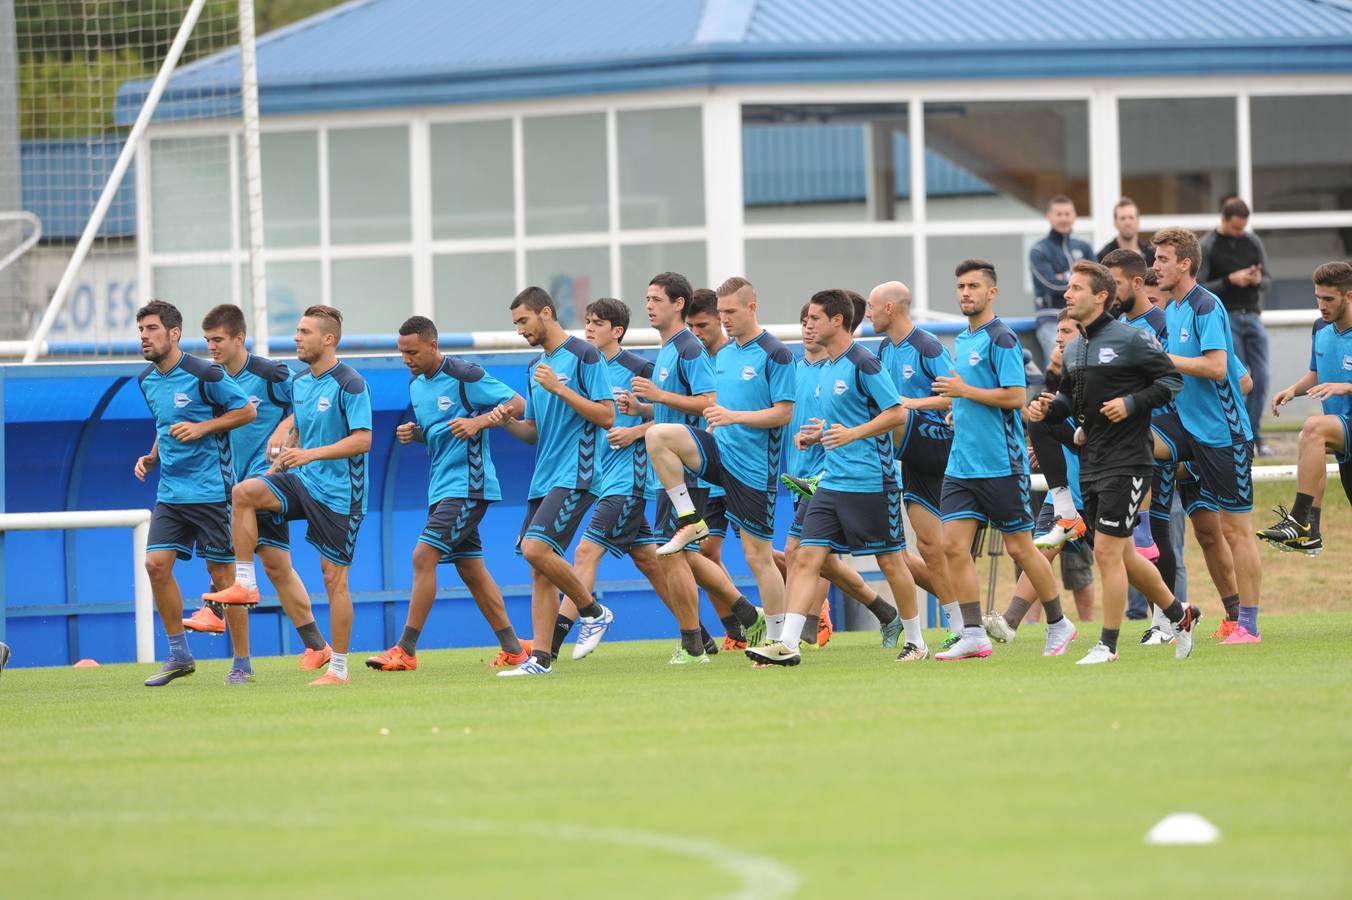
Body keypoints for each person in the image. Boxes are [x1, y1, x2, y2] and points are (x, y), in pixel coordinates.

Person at [1028, 260, 1196, 665]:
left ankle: (1108, 644)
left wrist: (1132, 402)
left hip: (1129, 461)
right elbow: (1070, 397)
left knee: (1106, 554)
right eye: (1067, 288)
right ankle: (1181, 615)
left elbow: (1172, 381)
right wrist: (1049, 411)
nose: (1067, 295)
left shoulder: (1132, 339)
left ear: (1101, 296)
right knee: (1122, 556)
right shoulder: (1076, 347)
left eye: (1076, 289)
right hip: (1092, 462)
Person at [746, 289, 923, 666]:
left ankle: (916, 641)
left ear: (837, 321)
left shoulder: (864, 362)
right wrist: (820, 433)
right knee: (805, 556)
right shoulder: (827, 367)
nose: (807, 325)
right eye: (806, 318)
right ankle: (789, 644)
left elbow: (896, 414)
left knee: (892, 562)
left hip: (872, 481)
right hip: (830, 483)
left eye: (814, 318)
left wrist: (852, 434)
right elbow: (847, 417)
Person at [205, 305, 372, 685]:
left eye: (304, 332)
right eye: (296, 331)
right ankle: (245, 581)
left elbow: (363, 440)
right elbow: (300, 434)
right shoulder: (300, 383)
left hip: (341, 494)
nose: (296, 338)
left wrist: (308, 454)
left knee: (334, 580)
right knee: (244, 493)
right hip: (303, 480)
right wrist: (279, 462)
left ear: (328, 339)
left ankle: (339, 669)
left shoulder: (351, 383)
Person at [365, 316, 531, 672]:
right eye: (401, 353)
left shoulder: (464, 375)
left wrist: (480, 421)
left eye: (413, 352)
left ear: (433, 345)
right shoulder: (415, 385)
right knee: (472, 571)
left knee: (422, 557)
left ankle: (406, 650)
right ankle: (515, 650)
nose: (407, 359)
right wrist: (417, 433)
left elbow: (518, 404)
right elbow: (440, 431)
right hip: (441, 489)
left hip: (469, 486)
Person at [934, 260, 1075, 660]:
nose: (965, 292)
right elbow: (973, 395)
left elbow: (1015, 397)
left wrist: (964, 392)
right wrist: (958, 409)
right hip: (962, 466)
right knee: (953, 547)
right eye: (960, 285)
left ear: (992, 292)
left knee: (1021, 549)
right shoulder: (963, 340)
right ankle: (974, 634)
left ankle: (1059, 623)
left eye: (973, 286)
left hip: (1000, 464)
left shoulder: (1003, 339)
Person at [185, 304, 333, 676]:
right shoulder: (213, 378)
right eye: (206, 341)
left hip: (264, 482)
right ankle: (317, 646)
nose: (211, 347)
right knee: (278, 566)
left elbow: (309, 397)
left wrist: (286, 426)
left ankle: (217, 612)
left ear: (239, 338)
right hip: (234, 487)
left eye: (218, 339)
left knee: (230, 560)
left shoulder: (270, 373)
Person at [648, 277, 795, 647]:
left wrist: (734, 417)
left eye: (730, 312)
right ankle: (689, 518)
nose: (724, 319)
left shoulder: (775, 353)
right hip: (720, 456)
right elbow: (712, 409)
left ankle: (777, 639)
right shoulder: (723, 354)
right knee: (659, 435)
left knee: (757, 556)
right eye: (721, 312)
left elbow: (783, 414)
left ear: (751, 307)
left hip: (754, 467)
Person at [629, 272, 763, 662]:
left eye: (656, 299)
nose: (649, 305)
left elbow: (710, 401)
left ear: (678, 304)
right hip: (669, 469)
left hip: (688, 469)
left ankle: (693, 644)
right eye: (647, 298)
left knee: (669, 553)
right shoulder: (669, 349)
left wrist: (658, 395)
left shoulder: (688, 348)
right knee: (681, 553)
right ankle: (745, 613)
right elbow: (672, 407)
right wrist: (643, 409)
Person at [492, 287, 618, 677]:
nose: (519, 330)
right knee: (539, 568)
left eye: (523, 321)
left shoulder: (585, 355)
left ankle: (593, 611)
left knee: (535, 550)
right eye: (515, 324)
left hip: (577, 474)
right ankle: (540, 659)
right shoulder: (534, 368)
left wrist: (560, 388)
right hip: (543, 478)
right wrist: (507, 422)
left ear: (546, 313)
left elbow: (607, 416)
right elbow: (534, 432)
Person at [132, 300, 256, 686]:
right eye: (141, 330)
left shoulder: (205, 373)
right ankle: (179, 654)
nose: (144, 337)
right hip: (171, 492)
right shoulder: (146, 380)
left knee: (222, 577)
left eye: (152, 329)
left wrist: (202, 429)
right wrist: (152, 456)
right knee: (155, 565)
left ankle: (242, 663)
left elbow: (246, 411)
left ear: (174, 333)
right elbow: (166, 421)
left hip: (211, 491)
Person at [1152, 227, 1266, 644]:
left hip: (1223, 437)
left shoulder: (1205, 305)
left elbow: (1218, 367)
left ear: (1184, 263)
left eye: (1163, 259)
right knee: (1130, 439)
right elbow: (1241, 379)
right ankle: (1127, 529)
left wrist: (1165, 360)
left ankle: (1248, 626)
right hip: (1187, 429)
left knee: (1236, 531)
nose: (1156, 266)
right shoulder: (1175, 309)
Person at [549, 298, 680, 661]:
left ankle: (551, 647)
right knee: (651, 562)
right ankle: (701, 632)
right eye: (586, 322)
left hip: (629, 480)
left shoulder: (640, 369)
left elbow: (676, 418)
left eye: (597, 323)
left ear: (617, 331)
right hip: (601, 479)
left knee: (585, 552)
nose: (588, 329)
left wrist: (635, 431)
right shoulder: (584, 367)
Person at [985, 311, 1094, 643]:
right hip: (1061, 495)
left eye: (1065, 331)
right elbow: (1068, 432)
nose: (1058, 338)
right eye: (1057, 331)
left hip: (1096, 489)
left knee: (1125, 559)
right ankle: (1012, 621)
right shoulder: (1063, 381)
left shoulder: (1098, 377)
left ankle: (1172, 615)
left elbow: (1092, 436)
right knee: (1038, 552)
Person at [865, 281, 961, 635]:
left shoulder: (927, 346)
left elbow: (954, 395)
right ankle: (960, 623)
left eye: (872, 307)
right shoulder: (883, 349)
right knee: (929, 547)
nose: (868, 314)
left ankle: (830, 476)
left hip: (938, 443)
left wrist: (909, 404)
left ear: (890, 308)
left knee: (894, 415)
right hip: (912, 458)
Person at [682, 287, 757, 649]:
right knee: (705, 552)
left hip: (742, 465)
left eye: (704, 325)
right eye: (692, 326)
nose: (697, 333)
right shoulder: (697, 357)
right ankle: (737, 631)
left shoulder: (737, 356)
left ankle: (811, 604)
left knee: (762, 552)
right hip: (709, 470)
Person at [1259, 261, 1352, 554]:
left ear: (1349, 296)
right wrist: (1293, 390)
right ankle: (1311, 529)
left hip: (1341, 425)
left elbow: (1337, 384)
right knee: (1308, 437)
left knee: (1312, 429)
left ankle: (1299, 521)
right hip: (1343, 435)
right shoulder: (1320, 328)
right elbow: (1316, 372)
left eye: (1329, 299)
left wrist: (1346, 387)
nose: (1321, 306)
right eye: (1318, 298)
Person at [1200, 197, 1273, 455]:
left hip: (1252, 314)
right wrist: (1230, 280)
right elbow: (1201, 287)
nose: (1239, 232)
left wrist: (1255, 279)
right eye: (1235, 228)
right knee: (1239, 380)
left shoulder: (1252, 242)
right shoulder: (1208, 245)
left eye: (1243, 227)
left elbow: (1267, 280)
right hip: (1226, 317)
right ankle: (1238, 435)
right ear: (1224, 220)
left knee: (1262, 378)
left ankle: (1255, 435)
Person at [1030, 195, 1094, 367]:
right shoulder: (1039, 250)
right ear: (1049, 217)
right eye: (1059, 214)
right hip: (1051, 318)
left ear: (1074, 216)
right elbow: (1050, 285)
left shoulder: (1084, 247)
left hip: (1083, 317)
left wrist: (1063, 276)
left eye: (1067, 214)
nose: (1064, 218)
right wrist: (1080, 282)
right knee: (1059, 359)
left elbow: (1097, 280)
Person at [1096, 197, 1155, 267]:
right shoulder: (1104, 256)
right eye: (1122, 218)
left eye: (1131, 217)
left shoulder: (1152, 253)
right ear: (1115, 223)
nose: (1127, 222)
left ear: (1138, 221)